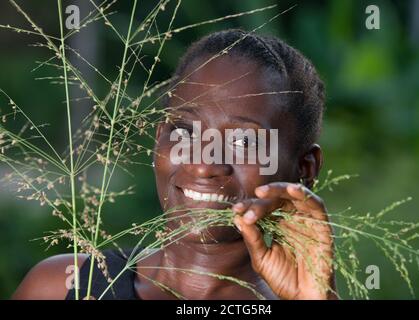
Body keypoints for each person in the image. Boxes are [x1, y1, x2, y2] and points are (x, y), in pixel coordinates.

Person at [12, 29, 336, 300]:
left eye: (243, 142)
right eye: (184, 132)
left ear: (305, 169)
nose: (202, 165)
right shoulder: (64, 285)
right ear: (159, 139)